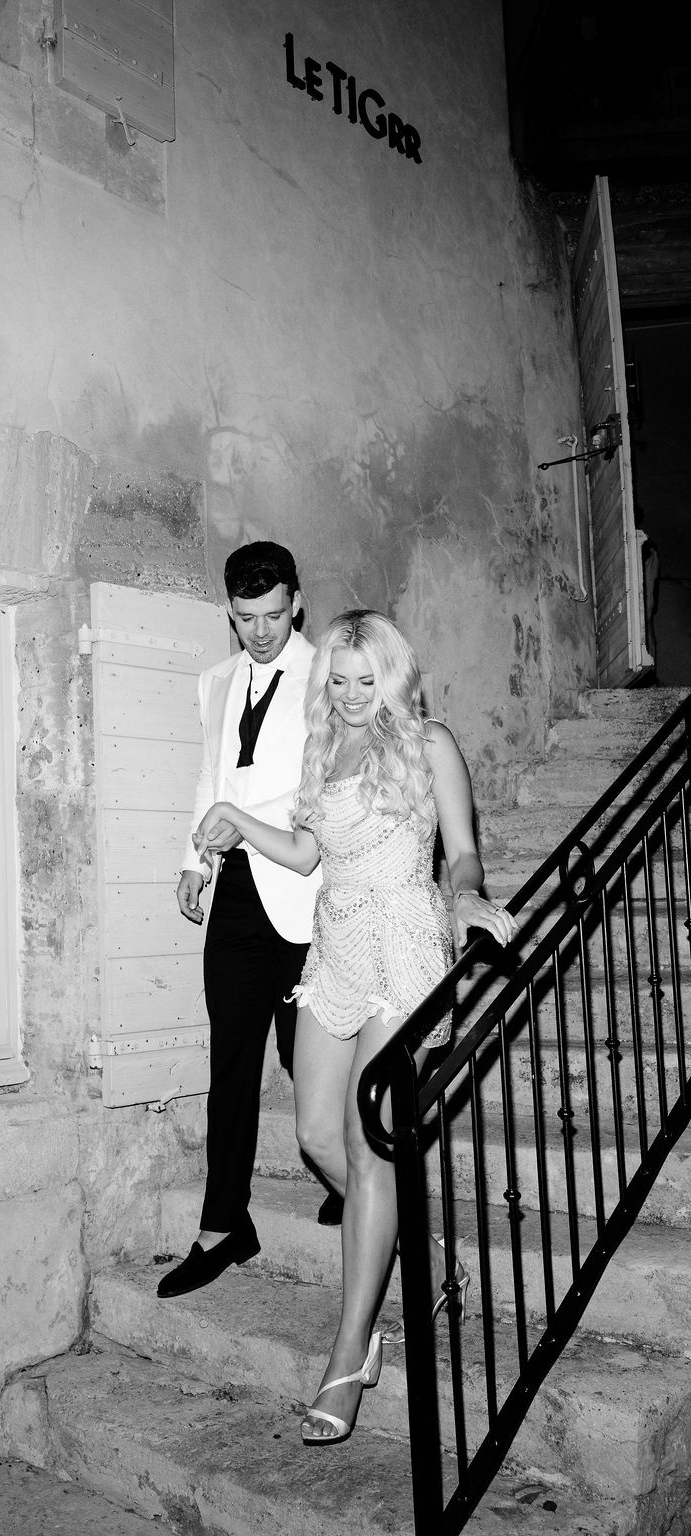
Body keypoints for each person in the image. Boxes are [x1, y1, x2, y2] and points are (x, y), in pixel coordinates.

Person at [194, 610, 518, 1444]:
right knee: (312, 1133)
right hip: (335, 944)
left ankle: (350, 1353)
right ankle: (400, 1242)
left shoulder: (428, 742)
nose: (347, 694)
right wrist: (237, 819)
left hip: (405, 941)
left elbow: (462, 849)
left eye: (363, 680)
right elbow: (307, 853)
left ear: (394, 678)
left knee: (366, 1142)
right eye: (336, 680)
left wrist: (469, 897)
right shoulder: (321, 746)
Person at [157, 542, 325, 1300]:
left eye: (273, 614)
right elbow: (210, 777)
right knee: (231, 1062)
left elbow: (322, 791)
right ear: (229, 610)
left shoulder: (332, 675)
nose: (260, 631)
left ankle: (349, 1175)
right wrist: (194, 859)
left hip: (310, 892)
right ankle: (224, 1225)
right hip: (236, 896)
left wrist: (241, 821)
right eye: (245, 617)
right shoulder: (214, 682)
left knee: (305, 1055)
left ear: (297, 600)